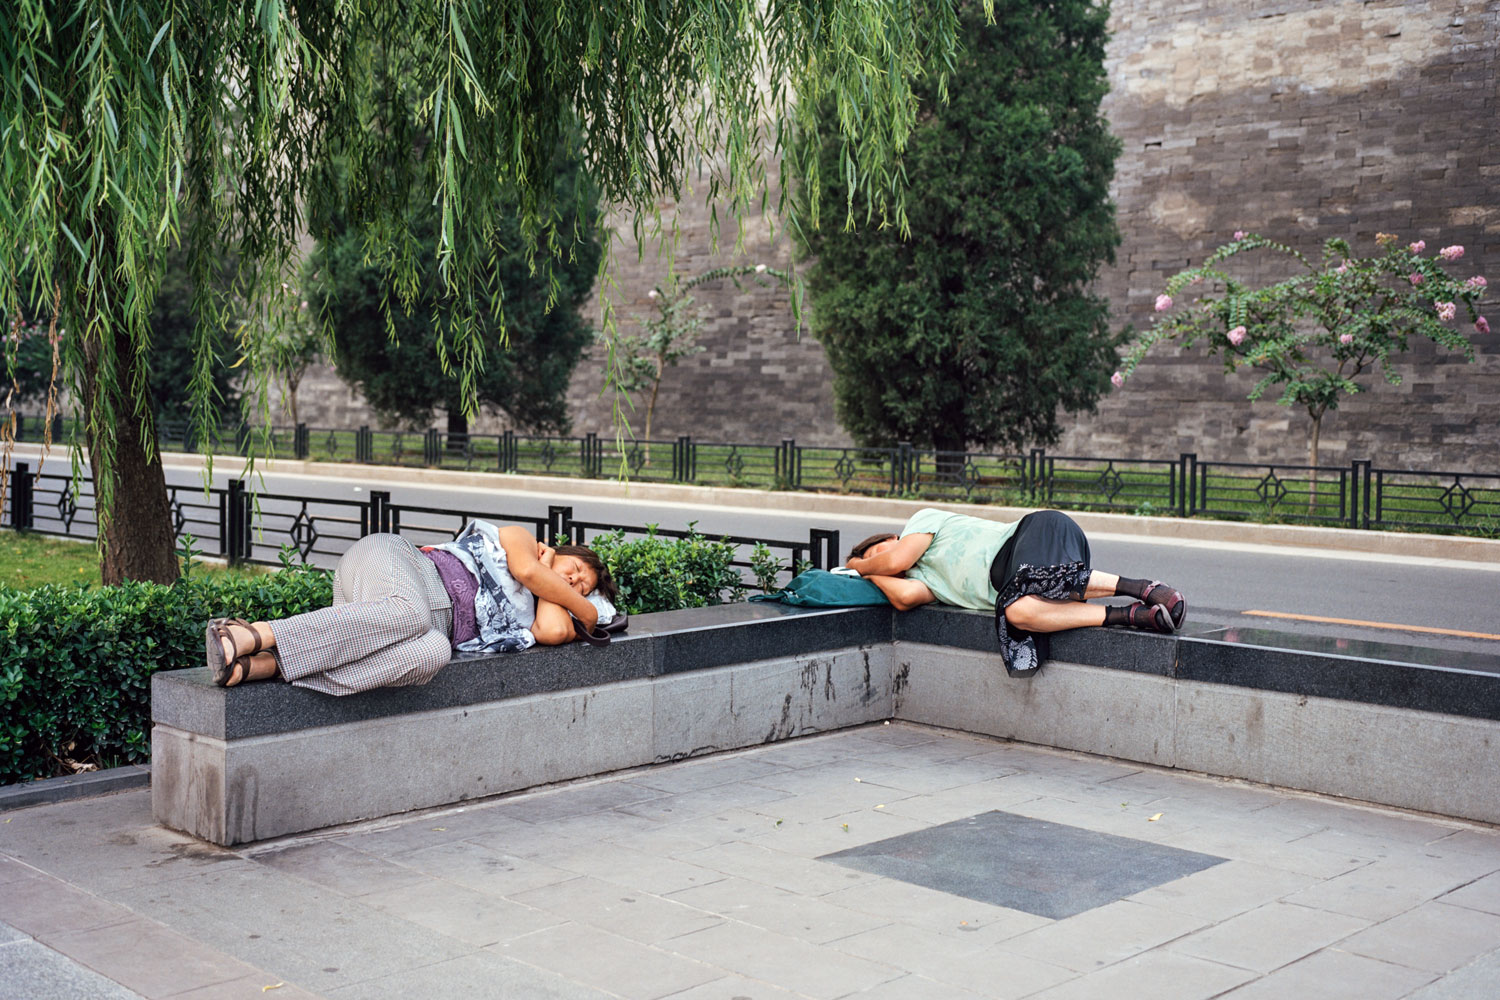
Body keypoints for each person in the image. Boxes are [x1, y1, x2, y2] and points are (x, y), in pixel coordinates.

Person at [205, 521, 617, 695]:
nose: (574, 582)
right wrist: (575, 598)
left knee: (433, 652)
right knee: (410, 612)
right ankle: (253, 633)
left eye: (584, 586)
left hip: (392, 625)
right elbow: (527, 571)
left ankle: (267, 665)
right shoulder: (522, 540)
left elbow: (554, 633)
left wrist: (559, 592)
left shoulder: (552, 603)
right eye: (575, 568)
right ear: (563, 551)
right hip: (394, 565)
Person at [844, 507, 1185, 677]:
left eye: (878, 555)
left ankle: (1143, 588)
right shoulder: (925, 581)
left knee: (1032, 577)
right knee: (1017, 612)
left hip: (1035, 533)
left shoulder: (920, 524)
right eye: (875, 566)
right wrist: (871, 575)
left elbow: (898, 557)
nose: (882, 566)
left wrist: (860, 567)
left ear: (889, 539)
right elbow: (904, 598)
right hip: (1015, 586)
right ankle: (1132, 615)